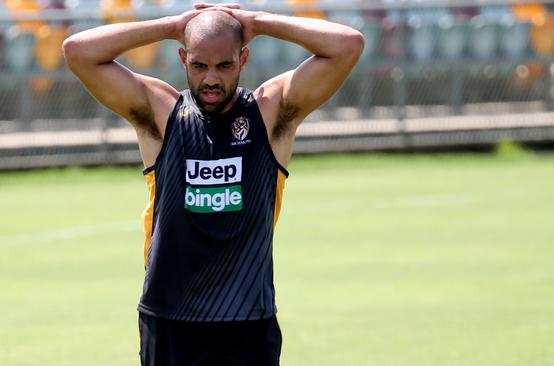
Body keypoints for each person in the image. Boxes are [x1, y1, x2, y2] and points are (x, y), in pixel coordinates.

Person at [63, 3, 363, 365]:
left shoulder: (270, 112)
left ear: (243, 59)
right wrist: (173, 24)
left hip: (247, 319)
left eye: (224, 65)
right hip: (170, 317)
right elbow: (77, 52)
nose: (211, 80)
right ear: (183, 57)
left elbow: (348, 44)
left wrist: (258, 22)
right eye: (199, 65)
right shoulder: (162, 112)